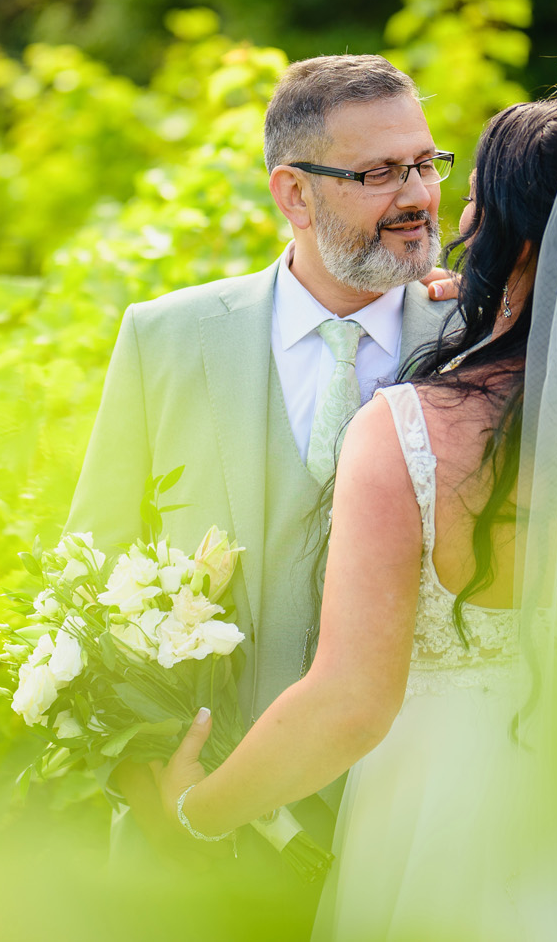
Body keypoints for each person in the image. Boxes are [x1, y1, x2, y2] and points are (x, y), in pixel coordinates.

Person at [151, 93, 557, 940]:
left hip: (452, 843)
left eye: (479, 205)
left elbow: (349, 702)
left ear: (523, 241)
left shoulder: (410, 431)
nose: (459, 227)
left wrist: (196, 808)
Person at [64, 55, 457, 909]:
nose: (419, 195)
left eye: (427, 163)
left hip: (422, 835)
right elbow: (86, 583)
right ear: (293, 193)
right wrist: (151, 787)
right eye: (379, 172)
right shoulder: (164, 339)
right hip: (194, 851)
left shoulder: (483, 342)